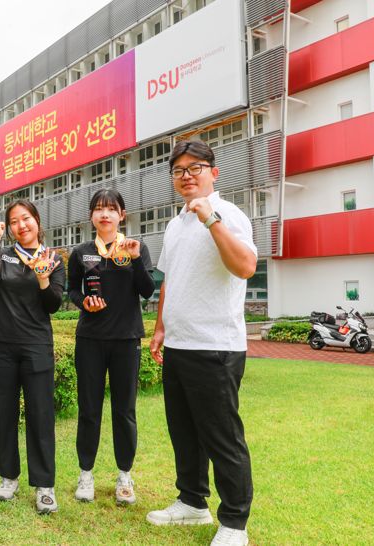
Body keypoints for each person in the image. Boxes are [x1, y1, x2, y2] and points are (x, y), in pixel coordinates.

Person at [147, 140, 257, 546]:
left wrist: (211, 219)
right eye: (178, 170)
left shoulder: (229, 214)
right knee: (185, 432)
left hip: (216, 345)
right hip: (179, 344)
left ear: (214, 172)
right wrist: (161, 328)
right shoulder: (175, 225)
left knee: (221, 436)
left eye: (196, 167)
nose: (187, 175)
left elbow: (244, 266)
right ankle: (192, 502)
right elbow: (170, 281)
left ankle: (234, 524)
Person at [67, 188, 155, 506]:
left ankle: (124, 477)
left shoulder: (135, 248)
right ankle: (86, 475)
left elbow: (147, 291)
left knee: (124, 412)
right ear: (91, 216)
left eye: (111, 209)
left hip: (126, 340)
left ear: (122, 215)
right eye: (99, 209)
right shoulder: (81, 252)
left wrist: (134, 260)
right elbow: (70, 291)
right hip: (90, 339)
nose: (105, 214)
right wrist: (84, 302)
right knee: (89, 411)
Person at [0, 200, 65, 515]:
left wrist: (44, 277)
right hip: (1, 346)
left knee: (40, 416)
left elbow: (53, 304)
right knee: (5, 414)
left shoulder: (53, 258)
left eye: (26, 219)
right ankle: (8, 477)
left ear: (37, 221)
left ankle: (45, 485)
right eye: (14, 221)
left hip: (36, 346)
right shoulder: (4, 255)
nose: (21, 225)